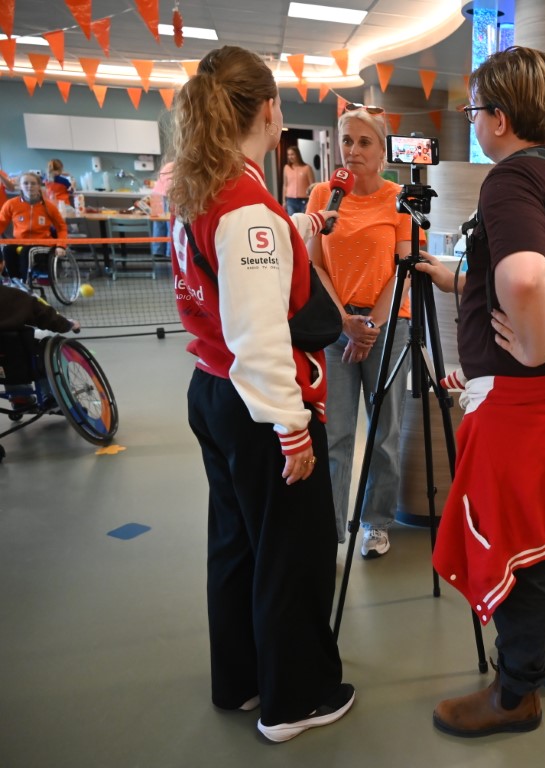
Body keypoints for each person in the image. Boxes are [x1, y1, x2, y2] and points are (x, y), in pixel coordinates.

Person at [414, 46, 545, 737]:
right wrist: (462, 281)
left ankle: (514, 692)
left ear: (499, 117)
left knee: (525, 541)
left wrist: (533, 345)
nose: (473, 123)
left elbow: (525, 279)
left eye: (474, 111)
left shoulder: (513, 179)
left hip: (524, 400)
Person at [165, 45, 353, 744]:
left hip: (214, 388)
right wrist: (292, 428)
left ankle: (241, 679)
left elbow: (229, 284)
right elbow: (260, 332)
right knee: (291, 553)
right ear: (270, 111)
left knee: (238, 545)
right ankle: (295, 700)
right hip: (260, 405)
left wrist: (293, 232)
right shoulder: (246, 207)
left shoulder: (202, 190)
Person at [307, 105, 422, 559]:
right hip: (336, 328)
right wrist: (344, 323)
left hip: (388, 327)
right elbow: (315, 264)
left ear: (382, 151)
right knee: (334, 434)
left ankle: (376, 522)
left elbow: (404, 268)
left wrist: (370, 324)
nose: (352, 151)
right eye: (346, 141)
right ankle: (331, 530)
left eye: (364, 142)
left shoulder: (400, 199)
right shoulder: (324, 194)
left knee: (384, 433)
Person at [0, 284, 80, 410]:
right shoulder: (14, 296)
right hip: (13, 360)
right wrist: (68, 325)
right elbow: (45, 316)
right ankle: (49, 395)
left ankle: (20, 396)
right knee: (43, 347)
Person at [0, 173, 67, 283]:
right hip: (20, 242)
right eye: (25, 183)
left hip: (42, 244)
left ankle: (24, 283)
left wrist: (61, 246)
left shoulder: (49, 206)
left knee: (27, 251)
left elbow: (61, 227)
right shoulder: (11, 204)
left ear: (39, 186)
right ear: (20, 186)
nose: (29, 186)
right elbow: (1, 222)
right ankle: (15, 282)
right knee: (7, 250)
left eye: (33, 183)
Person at [282, 146, 315, 215]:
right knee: (292, 220)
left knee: (303, 220)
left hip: (304, 201)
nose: (290, 157)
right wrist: (284, 201)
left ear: (297, 154)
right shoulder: (286, 168)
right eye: (288, 155)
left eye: (292, 154)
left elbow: (312, 186)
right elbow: (285, 185)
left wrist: (310, 201)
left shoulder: (307, 168)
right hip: (290, 201)